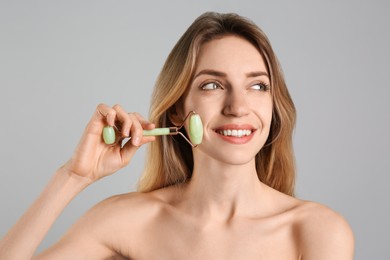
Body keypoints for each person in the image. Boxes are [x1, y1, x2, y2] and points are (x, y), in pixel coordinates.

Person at [0, 12, 354, 259]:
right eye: (213, 85)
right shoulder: (128, 221)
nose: (238, 106)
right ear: (176, 111)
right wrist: (73, 176)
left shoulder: (317, 231)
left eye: (258, 86)